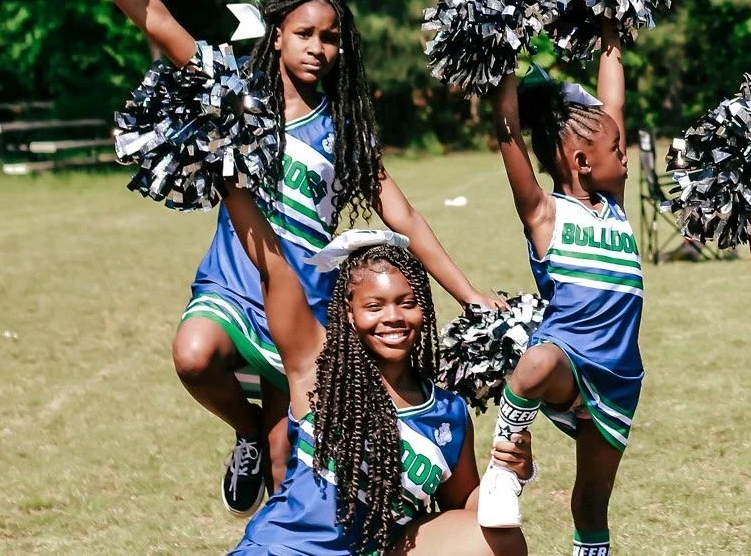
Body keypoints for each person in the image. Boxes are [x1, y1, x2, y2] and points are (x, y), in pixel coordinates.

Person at [89, 0, 492, 513]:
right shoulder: (235, 97)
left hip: (305, 307)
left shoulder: (344, 127)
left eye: (330, 38)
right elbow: (159, 19)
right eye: (304, 34)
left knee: (289, 468)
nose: (317, 48)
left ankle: (274, 486)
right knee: (193, 356)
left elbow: (407, 218)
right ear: (276, 35)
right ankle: (247, 431)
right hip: (233, 282)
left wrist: (468, 296)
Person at [218, 185, 531, 555]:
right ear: (348, 313)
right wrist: (226, 175)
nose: (393, 317)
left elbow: (466, 514)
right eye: (374, 306)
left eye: (407, 303)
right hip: (282, 549)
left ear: (425, 310)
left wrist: (511, 473)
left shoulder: (448, 412)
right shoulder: (317, 369)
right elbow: (273, 267)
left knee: (502, 542)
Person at [474, 30, 639, 556]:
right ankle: (505, 461)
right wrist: (502, 63)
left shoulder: (614, 204)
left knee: (592, 502)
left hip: (620, 374)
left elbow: (611, 101)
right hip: (567, 359)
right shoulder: (545, 215)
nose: (626, 155)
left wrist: (612, 29)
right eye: (617, 149)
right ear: (582, 162)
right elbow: (508, 138)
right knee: (537, 361)